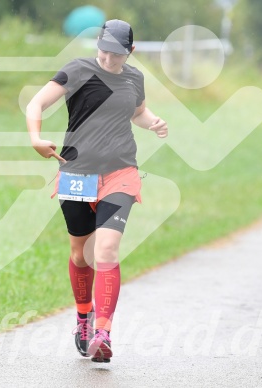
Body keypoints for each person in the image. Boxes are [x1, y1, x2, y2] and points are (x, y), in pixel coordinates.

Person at [26, 19, 168, 363]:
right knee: (81, 254)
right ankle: (83, 318)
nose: (108, 57)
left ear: (130, 52)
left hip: (120, 172)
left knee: (106, 249)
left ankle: (103, 332)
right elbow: (36, 104)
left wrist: (153, 122)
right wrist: (35, 139)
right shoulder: (78, 69)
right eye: (104, 50)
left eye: (117, 53)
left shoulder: (134, 77)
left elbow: (137, 112)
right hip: (77, 173)